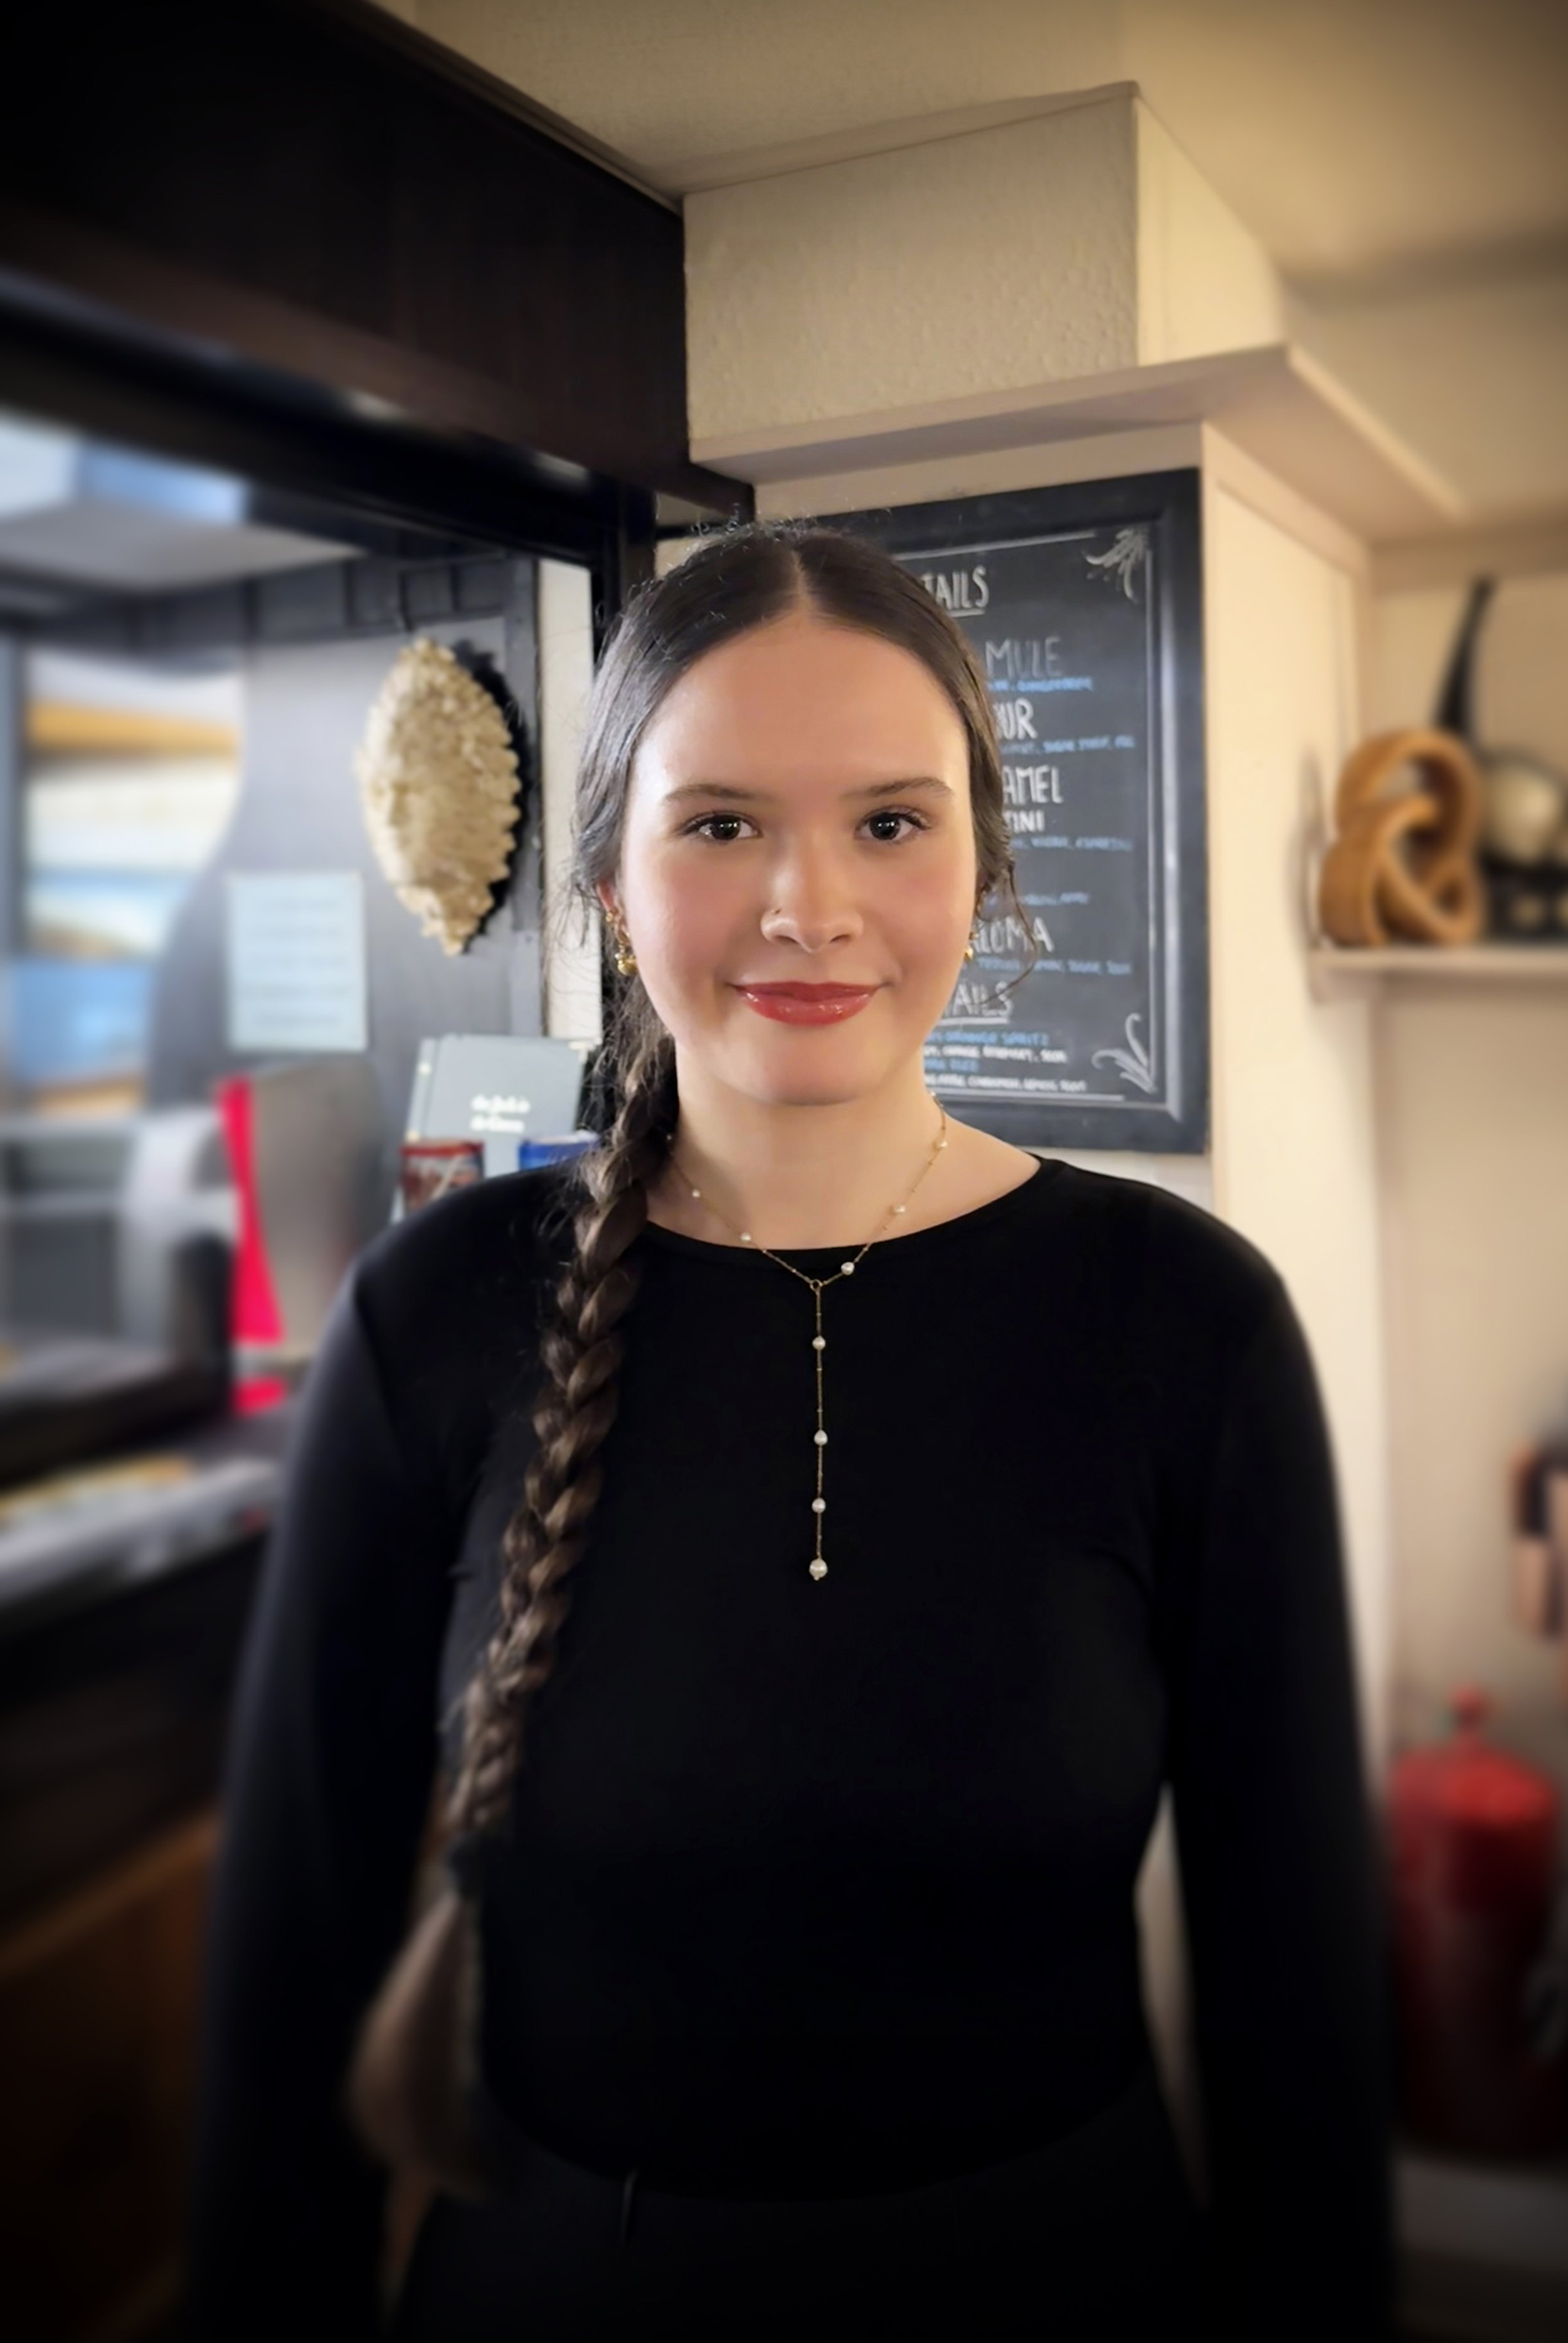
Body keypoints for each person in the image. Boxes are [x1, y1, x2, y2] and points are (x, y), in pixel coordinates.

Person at [186, 523, 1393, 2340]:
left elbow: (1295, 2000)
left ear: (983, 863)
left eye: (890, 822)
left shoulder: (1185, 1323)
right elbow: (291, 1985)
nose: (805, 907)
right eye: (721, 821)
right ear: (607, 877)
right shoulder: (430, 1320)